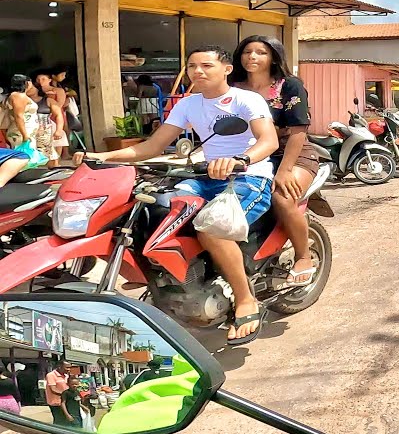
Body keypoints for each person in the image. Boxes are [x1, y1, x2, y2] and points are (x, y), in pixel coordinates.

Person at [78, 46, 278, 344]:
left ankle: (246, 298)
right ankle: (176, 282)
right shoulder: (188, 104)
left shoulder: (246, 99)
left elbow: (269, 140)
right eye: (192, 66)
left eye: (206, 65)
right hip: (205, 176)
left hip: (247, 177)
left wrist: (242, 160)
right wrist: (101, 157)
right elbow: (151, 147)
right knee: (155, 212)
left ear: (226, 69)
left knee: (213, 229)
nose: (198, 71)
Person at [230, 35, 319, 288]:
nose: (253, 57)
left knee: (282, 197)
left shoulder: (289, 86)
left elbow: (298, 130)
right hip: (246, 153)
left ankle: (303, 256)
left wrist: (285, 169)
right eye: (248, 52)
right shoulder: (232, 86)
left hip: (292, 152)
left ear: (274, 57)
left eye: (261, 52)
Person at [0, 75, 35, 186]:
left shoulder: (17, 96)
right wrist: (25, 135)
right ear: (26, 83)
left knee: (25, 156)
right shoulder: (18, 96)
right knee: (21, 157)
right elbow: (19, 116)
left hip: (23, 130)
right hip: (20, 131)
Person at [28, 73, 62, 167]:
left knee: (49, 152)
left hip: (44, 132)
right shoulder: (22, 101)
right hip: (29, 132)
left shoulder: (47, 101)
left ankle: (53, 171)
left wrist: (59, 130)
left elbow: (59, 115)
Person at [43, 360, 71, 427]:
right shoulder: (51, 375)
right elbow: (53, 389)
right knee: (59, 420)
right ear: (59, 367)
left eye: (70, 367)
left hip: (65, 402)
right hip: (56, 403)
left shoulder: (66, 376)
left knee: (66, 420)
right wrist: (66, 394)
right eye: (67, 367)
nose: (69, 369)